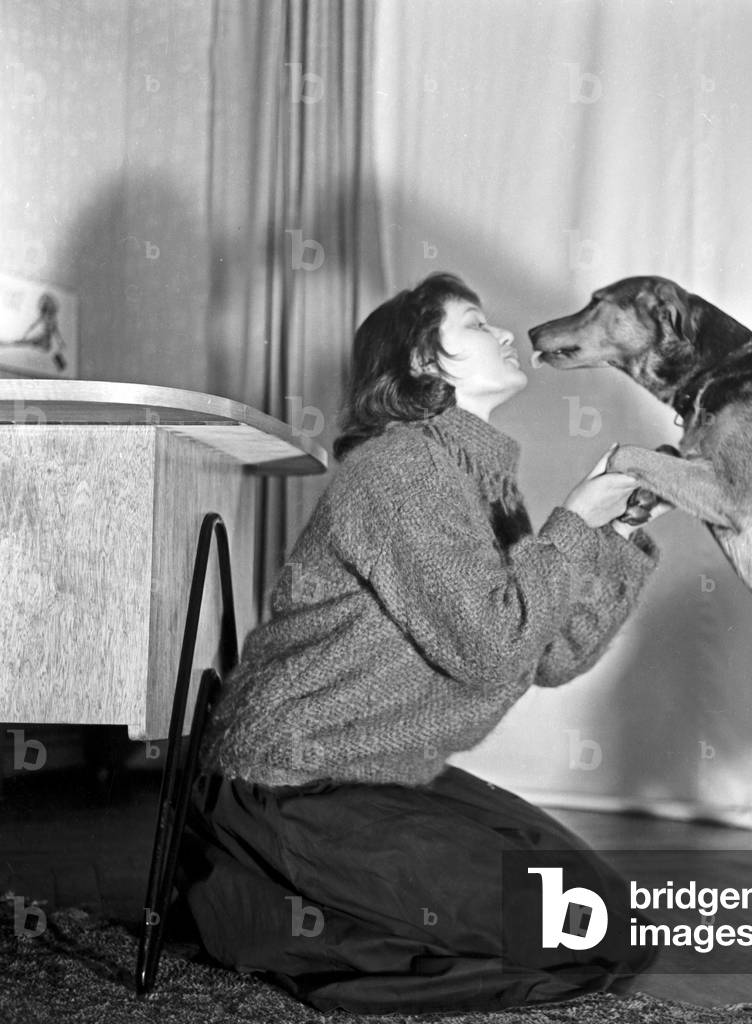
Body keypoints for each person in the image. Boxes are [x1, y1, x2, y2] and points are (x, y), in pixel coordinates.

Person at [179, 272, 665, 1014]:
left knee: (614, 920)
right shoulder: (400, 464)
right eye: (476, 324)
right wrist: (573, 520)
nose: (505, 335)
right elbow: (490, 649)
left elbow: (551, 655)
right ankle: (265, 906)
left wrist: (616, 533)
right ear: (423, 363)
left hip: (380, 772)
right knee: (577, 935)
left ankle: (318, 912)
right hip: (288, 781)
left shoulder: (483, 484)